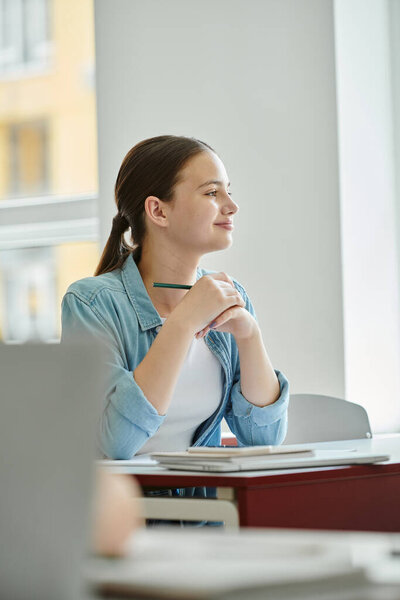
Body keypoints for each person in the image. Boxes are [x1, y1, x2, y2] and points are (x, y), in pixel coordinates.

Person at [61, 135, 289, 460]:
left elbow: (263, 437)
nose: (232, 206)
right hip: (130, 509)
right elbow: (114, 444)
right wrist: (183, 322)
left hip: (209, 510)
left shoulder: (227, 296)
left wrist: (249, 334)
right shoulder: (90, 304)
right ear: (158, 211)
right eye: (212, 192)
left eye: (228, 191)